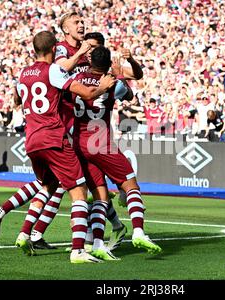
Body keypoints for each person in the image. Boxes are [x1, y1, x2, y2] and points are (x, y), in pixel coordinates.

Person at [13, 30, 115, 263]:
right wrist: (103, 86)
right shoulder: (53, 70)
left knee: (47, 185)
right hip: (53, 137)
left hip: (31, 140)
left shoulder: (22, 73)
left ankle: (25, 233)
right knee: (79, 192)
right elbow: (87, 91)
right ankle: (78, 249)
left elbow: (17, 101)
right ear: (53, 50)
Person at [71, 45, 162, 256]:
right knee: (131, 186)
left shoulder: (76, 79)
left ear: (90, 60)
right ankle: (138, 231)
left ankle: (96, 245)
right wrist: (118, 74)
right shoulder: (114, 83)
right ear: (109, 63)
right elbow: (129, 94)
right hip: (100, 142)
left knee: (100, 195)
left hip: (79, 142)